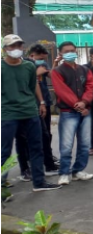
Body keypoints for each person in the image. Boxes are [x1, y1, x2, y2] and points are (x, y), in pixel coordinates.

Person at [1, 34, 61, 193]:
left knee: (37, 147)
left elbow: (33, 85)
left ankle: (39, 182)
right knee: (5, 151)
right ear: (5, 49)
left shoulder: (28, 66)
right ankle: (1, 186)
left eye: (19, 46)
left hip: (30, 111)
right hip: (8, 114)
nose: (16, 49)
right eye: (12, 46)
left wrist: (41, 102)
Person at [49, 41, 93, 185]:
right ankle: (64, 173)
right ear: (61, 54)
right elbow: (61, 90)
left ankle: (78, 171)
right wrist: (78, 104)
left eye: (73, 50)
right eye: (67, 51)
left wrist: (85, 101)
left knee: (85, 143)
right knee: (66, 145)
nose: (71, 53)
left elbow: (91, 86)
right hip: (68, 111)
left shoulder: (84, 70)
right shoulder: (57, 71)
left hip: (85, 110)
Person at [15, 43, 59, 180]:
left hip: (42, 104)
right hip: (24, 107)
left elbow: (52, 78)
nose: (42, 61)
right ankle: (26, 168)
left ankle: (48, 162)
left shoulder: (43, 65)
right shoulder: (25, 65)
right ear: (32, 55)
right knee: (23, 138)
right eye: (40, 58)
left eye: (44, 59)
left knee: (45, 135)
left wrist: (42, 102)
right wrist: (35, 73)